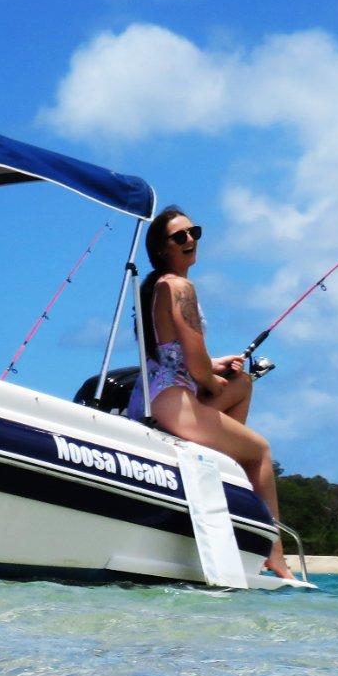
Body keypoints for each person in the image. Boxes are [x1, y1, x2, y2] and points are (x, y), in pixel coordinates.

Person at [130, 205, 292, 578]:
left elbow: (173, 355)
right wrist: (211, 377)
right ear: (161, 248)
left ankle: (225, 483)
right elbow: (198, 369)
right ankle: (274, 553)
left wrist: (218, 367)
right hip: (174, 400)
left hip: (152, 395)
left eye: (194, 233)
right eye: (180, 236)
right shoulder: (181, 287)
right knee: (261, 451)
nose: (190, 240)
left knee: (242, 382)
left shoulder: (156, 287)